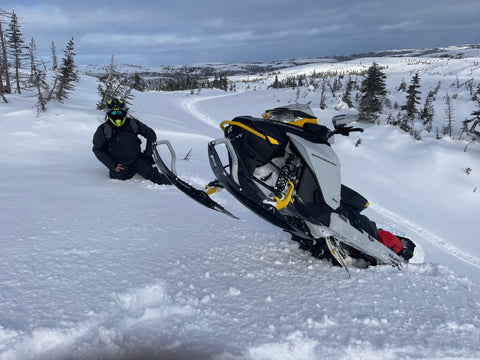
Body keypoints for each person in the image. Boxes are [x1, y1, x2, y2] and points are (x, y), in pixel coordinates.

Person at [92, 98, 171, 185]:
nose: (117, 115)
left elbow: (150, 134)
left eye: (119, 112)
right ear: (109, 113)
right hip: (119, 165)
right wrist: (112, 165)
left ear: (124, 111)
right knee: (119, 183)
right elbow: (98, 149)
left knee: (158, 179)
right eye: (114, 113)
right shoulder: (103, 129)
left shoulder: (132, 123)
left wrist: (147, 154)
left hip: (137, 160)